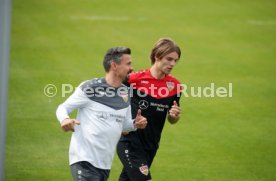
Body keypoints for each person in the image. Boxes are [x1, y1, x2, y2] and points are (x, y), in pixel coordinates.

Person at [56, 47, 147, 181]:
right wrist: (65, 119)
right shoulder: (91, 87)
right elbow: (63, 107)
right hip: (84, 160)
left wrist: (135, 124)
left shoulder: (125, 93)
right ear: (114, 66)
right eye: (128, 64)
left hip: (104, 164)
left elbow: (122, 125)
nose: (131, 68)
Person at [117, 38, 182, 181]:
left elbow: (172, 119)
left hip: (151, 144)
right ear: (157, 56)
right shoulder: (133, 80)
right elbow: (113, 105)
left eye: (175, 61)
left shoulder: (175, 86)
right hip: (129, 141)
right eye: (169, 59)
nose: (172, 64)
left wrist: (174, 116)